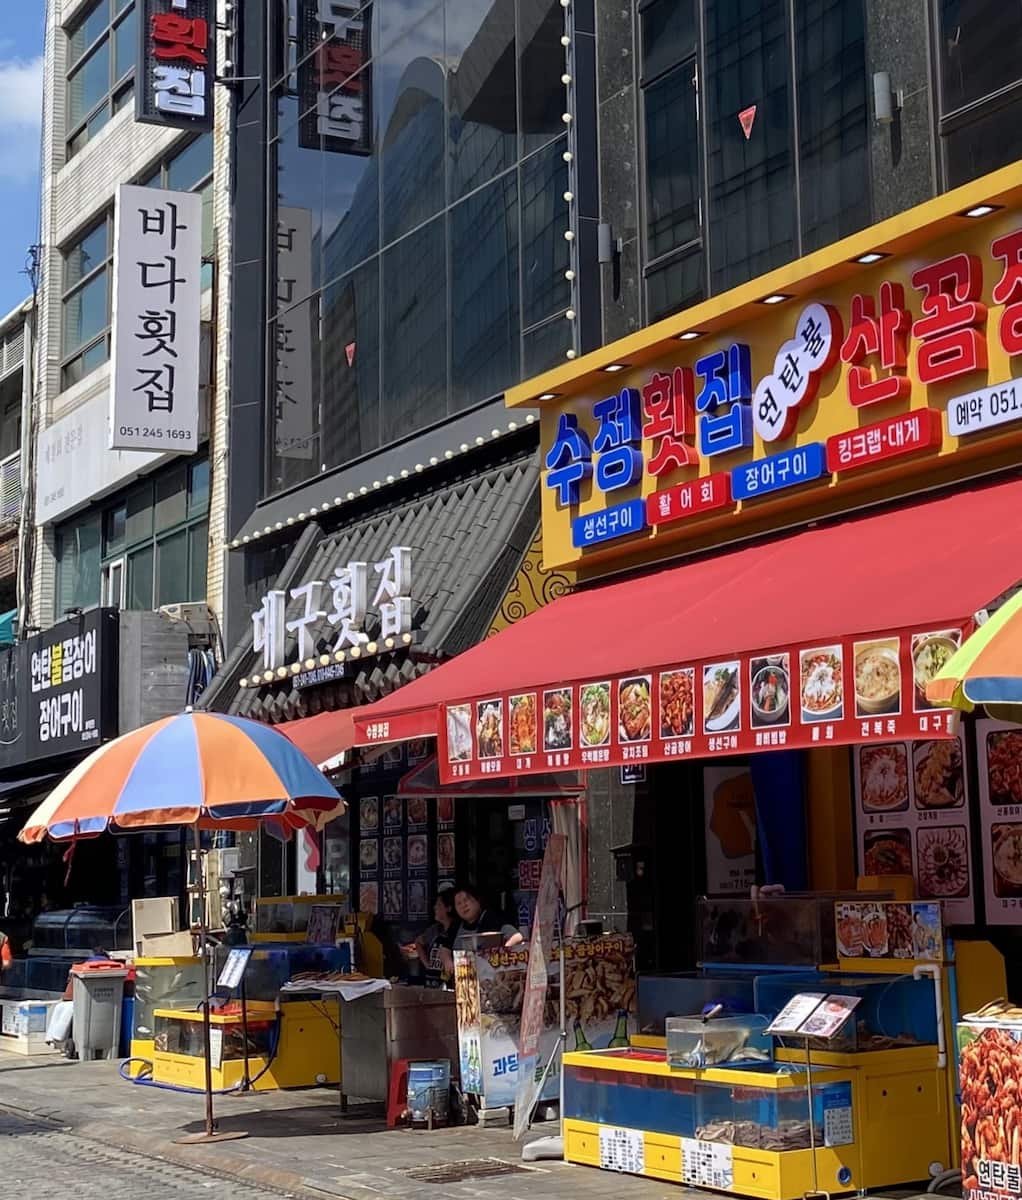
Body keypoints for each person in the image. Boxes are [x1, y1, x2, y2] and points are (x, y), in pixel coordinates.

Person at [403, 889, 459, 987]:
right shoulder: (435, 930)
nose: (435, 908)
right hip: (431, 984)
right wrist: (428, 965)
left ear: (449, 908)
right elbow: (418, 942)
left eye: (438, 905)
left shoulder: (459, 931)